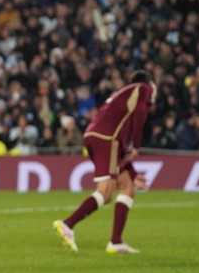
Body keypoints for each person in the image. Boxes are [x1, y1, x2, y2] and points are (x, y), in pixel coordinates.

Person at [53, 70, 156, 254]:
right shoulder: (143, 88)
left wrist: (131, 172)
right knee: (105, 192)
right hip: (107, 139)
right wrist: (137, 146)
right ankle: (68, 224)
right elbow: (139, 116)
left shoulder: (123, 98)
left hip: (97, 136)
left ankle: (116, 242)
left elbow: (122, 141)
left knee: (127, 187)